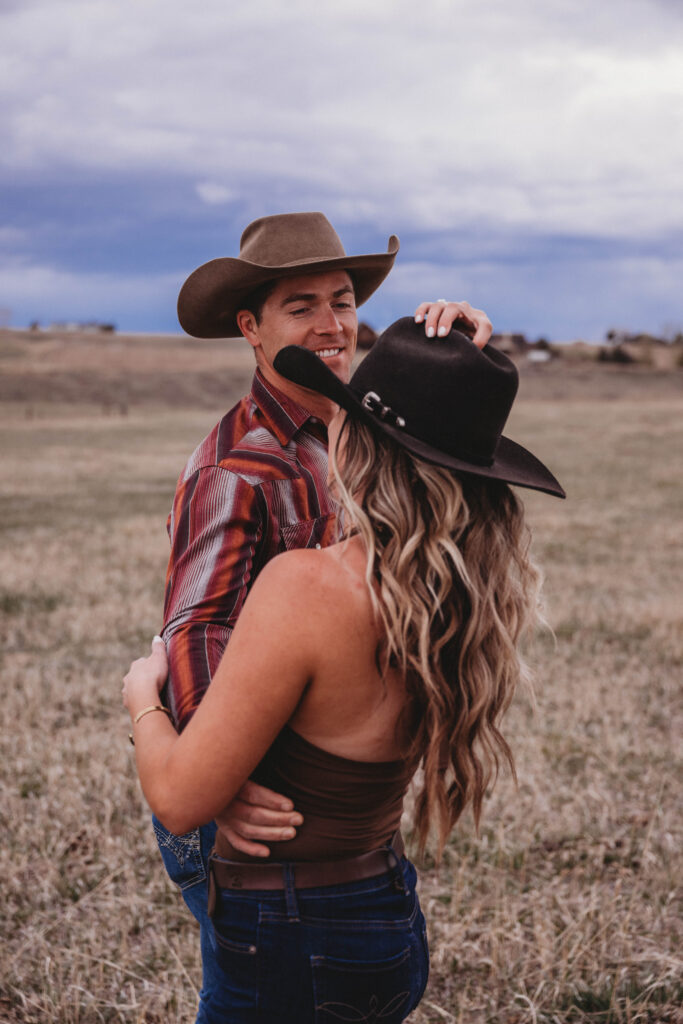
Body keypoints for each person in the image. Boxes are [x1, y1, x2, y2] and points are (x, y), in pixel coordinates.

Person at [124, 315, 565, 1023]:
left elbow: (178, 799)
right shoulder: (454, 589)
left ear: (357, 440)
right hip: (383, 918)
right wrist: (436, 346)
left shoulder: (306, 587)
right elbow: (432, 402)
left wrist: (143, 699)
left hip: (291, 937)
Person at [153, 210, 494, 1013]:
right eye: (299, 305)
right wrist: (218, 771)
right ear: (251, 327)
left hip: (338, 803)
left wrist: (463, 341)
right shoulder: (237, 469)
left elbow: (450, 441)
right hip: (256, 802)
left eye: (341, 299)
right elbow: (195, 625)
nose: (332, 322)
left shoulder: (363, 422)